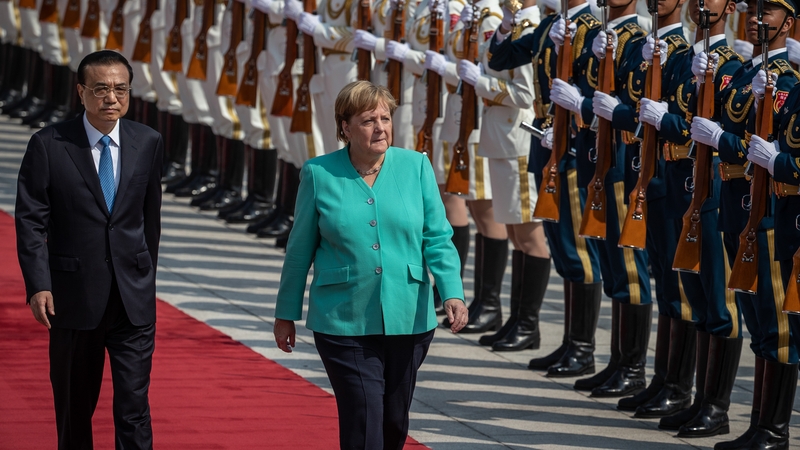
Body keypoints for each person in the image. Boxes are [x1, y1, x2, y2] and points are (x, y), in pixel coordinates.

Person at [273, 80, 468, 449]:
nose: (380, 127)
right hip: (342, 318)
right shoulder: (318, 173)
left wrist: (452, 293)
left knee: (394, 421)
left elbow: (438, 238)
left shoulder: (416, 166)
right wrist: (286, 313)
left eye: (385, 118)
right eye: (368, 120)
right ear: (345, 127)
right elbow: (299, 250)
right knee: (364, 418)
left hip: (408, 316)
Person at [15, 50, 163, 449]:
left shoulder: (148, 141)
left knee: (134, 407)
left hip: (133, 300)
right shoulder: (49, 144)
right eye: (100, 89)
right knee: (75, 406)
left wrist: (145, 275)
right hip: (74, 298)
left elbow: (149, 219)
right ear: (81, 92)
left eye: (120, 89)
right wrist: (39, 284)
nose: (111, 98)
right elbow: (30, 221)